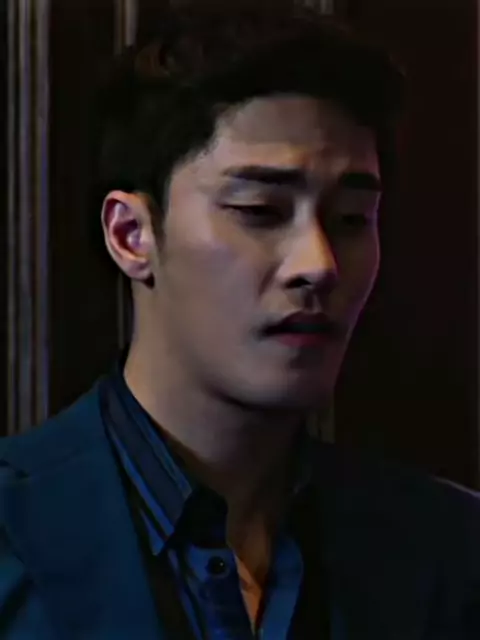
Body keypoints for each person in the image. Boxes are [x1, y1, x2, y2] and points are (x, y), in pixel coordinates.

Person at [1, 2, 479, 638]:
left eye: (350, 220)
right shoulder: (13, 540)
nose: (319, 265)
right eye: (260, 210)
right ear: (132, 235)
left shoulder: (450, 552)